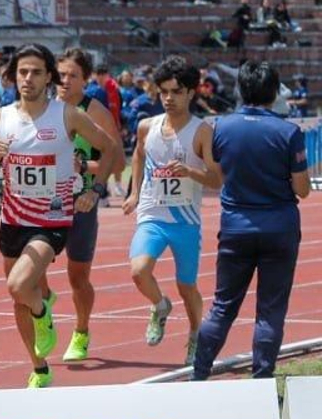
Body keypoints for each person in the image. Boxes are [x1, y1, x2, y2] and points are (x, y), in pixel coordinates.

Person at [0, 44, 117, 388]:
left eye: (37, 72)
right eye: (23, 71)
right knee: (18, 297)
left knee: (19, 285)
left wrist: (94, 190)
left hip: (52, 220)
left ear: (48, 77)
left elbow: (111, 146)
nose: (28, 78)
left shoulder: (67, 114)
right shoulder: (0, 117)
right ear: (13, 75)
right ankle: (38, 367)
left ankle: (43, 313)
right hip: (12, 221)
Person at [194, 61, 311, 380]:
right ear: (274, 93)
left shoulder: (220, 128)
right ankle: (261, 380)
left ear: (240, 89)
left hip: (235, 227)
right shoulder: (289, 132)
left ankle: (198, 374)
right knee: (270, 310)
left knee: (222, 307)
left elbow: (217, 177)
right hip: (279, 228)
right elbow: (303, 189)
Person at [119, 55, 217, 365]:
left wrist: (190, 172)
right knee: (138, 270)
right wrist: (135, 193)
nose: (169, 98)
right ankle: (160, 305)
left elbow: (217, 178)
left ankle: (195, 334)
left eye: (176, 91)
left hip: (185, 222)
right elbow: (137, 156)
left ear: (191, 92)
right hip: (152, 215)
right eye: (163, 92)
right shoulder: (147, 126)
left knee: (187, 286)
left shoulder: (202, 131)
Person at [53, 48, 124, 362]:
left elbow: (117, 160)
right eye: (61, 75)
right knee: (27, 268)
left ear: (85, 80)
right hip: (44, 201)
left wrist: (87, 174)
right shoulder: (43, 107)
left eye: (72, 76)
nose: (65, 81)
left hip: (80, 201)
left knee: (77, 276)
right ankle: (43, 305)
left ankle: (81, 332)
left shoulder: (94, 111)